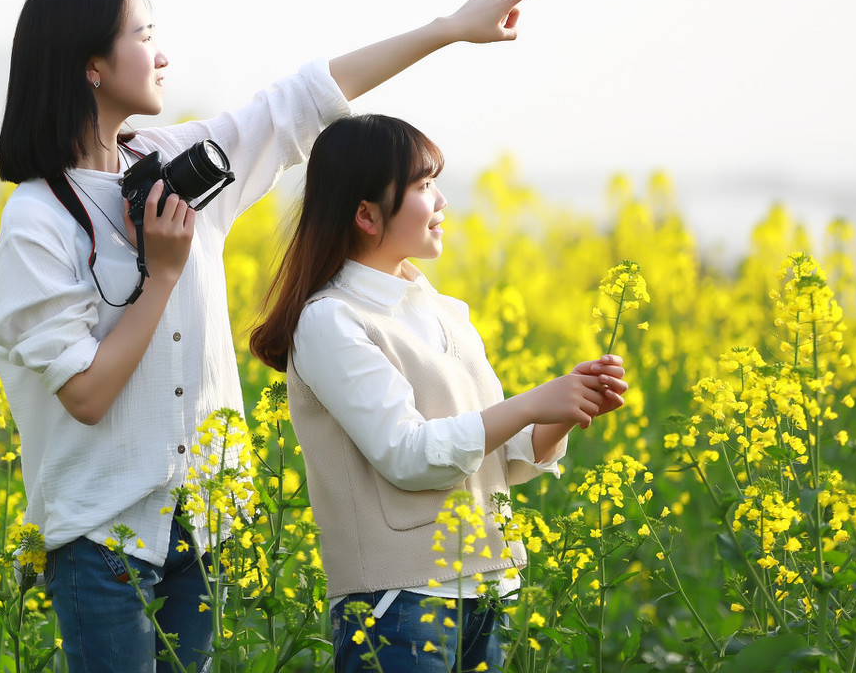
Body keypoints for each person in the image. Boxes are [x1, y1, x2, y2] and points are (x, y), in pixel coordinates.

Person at [0, 0, 550, 673]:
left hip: (201, 526)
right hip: (103, 540)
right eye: (145, 37)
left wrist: (446, 30)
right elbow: (87, 396)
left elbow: (300, 102)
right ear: (91, 66)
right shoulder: (37, 221)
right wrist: (162, 274)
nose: (161, 57)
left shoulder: (177, 167)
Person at [249, 114, 629, 673]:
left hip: (487, 594)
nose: (442, 200)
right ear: (366, 215)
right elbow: (408, 456)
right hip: (398, 604)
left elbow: (500, 459)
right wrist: (531, 402)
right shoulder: (332, 321)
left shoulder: (446, 313)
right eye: (424, 187)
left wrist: (566, 410)